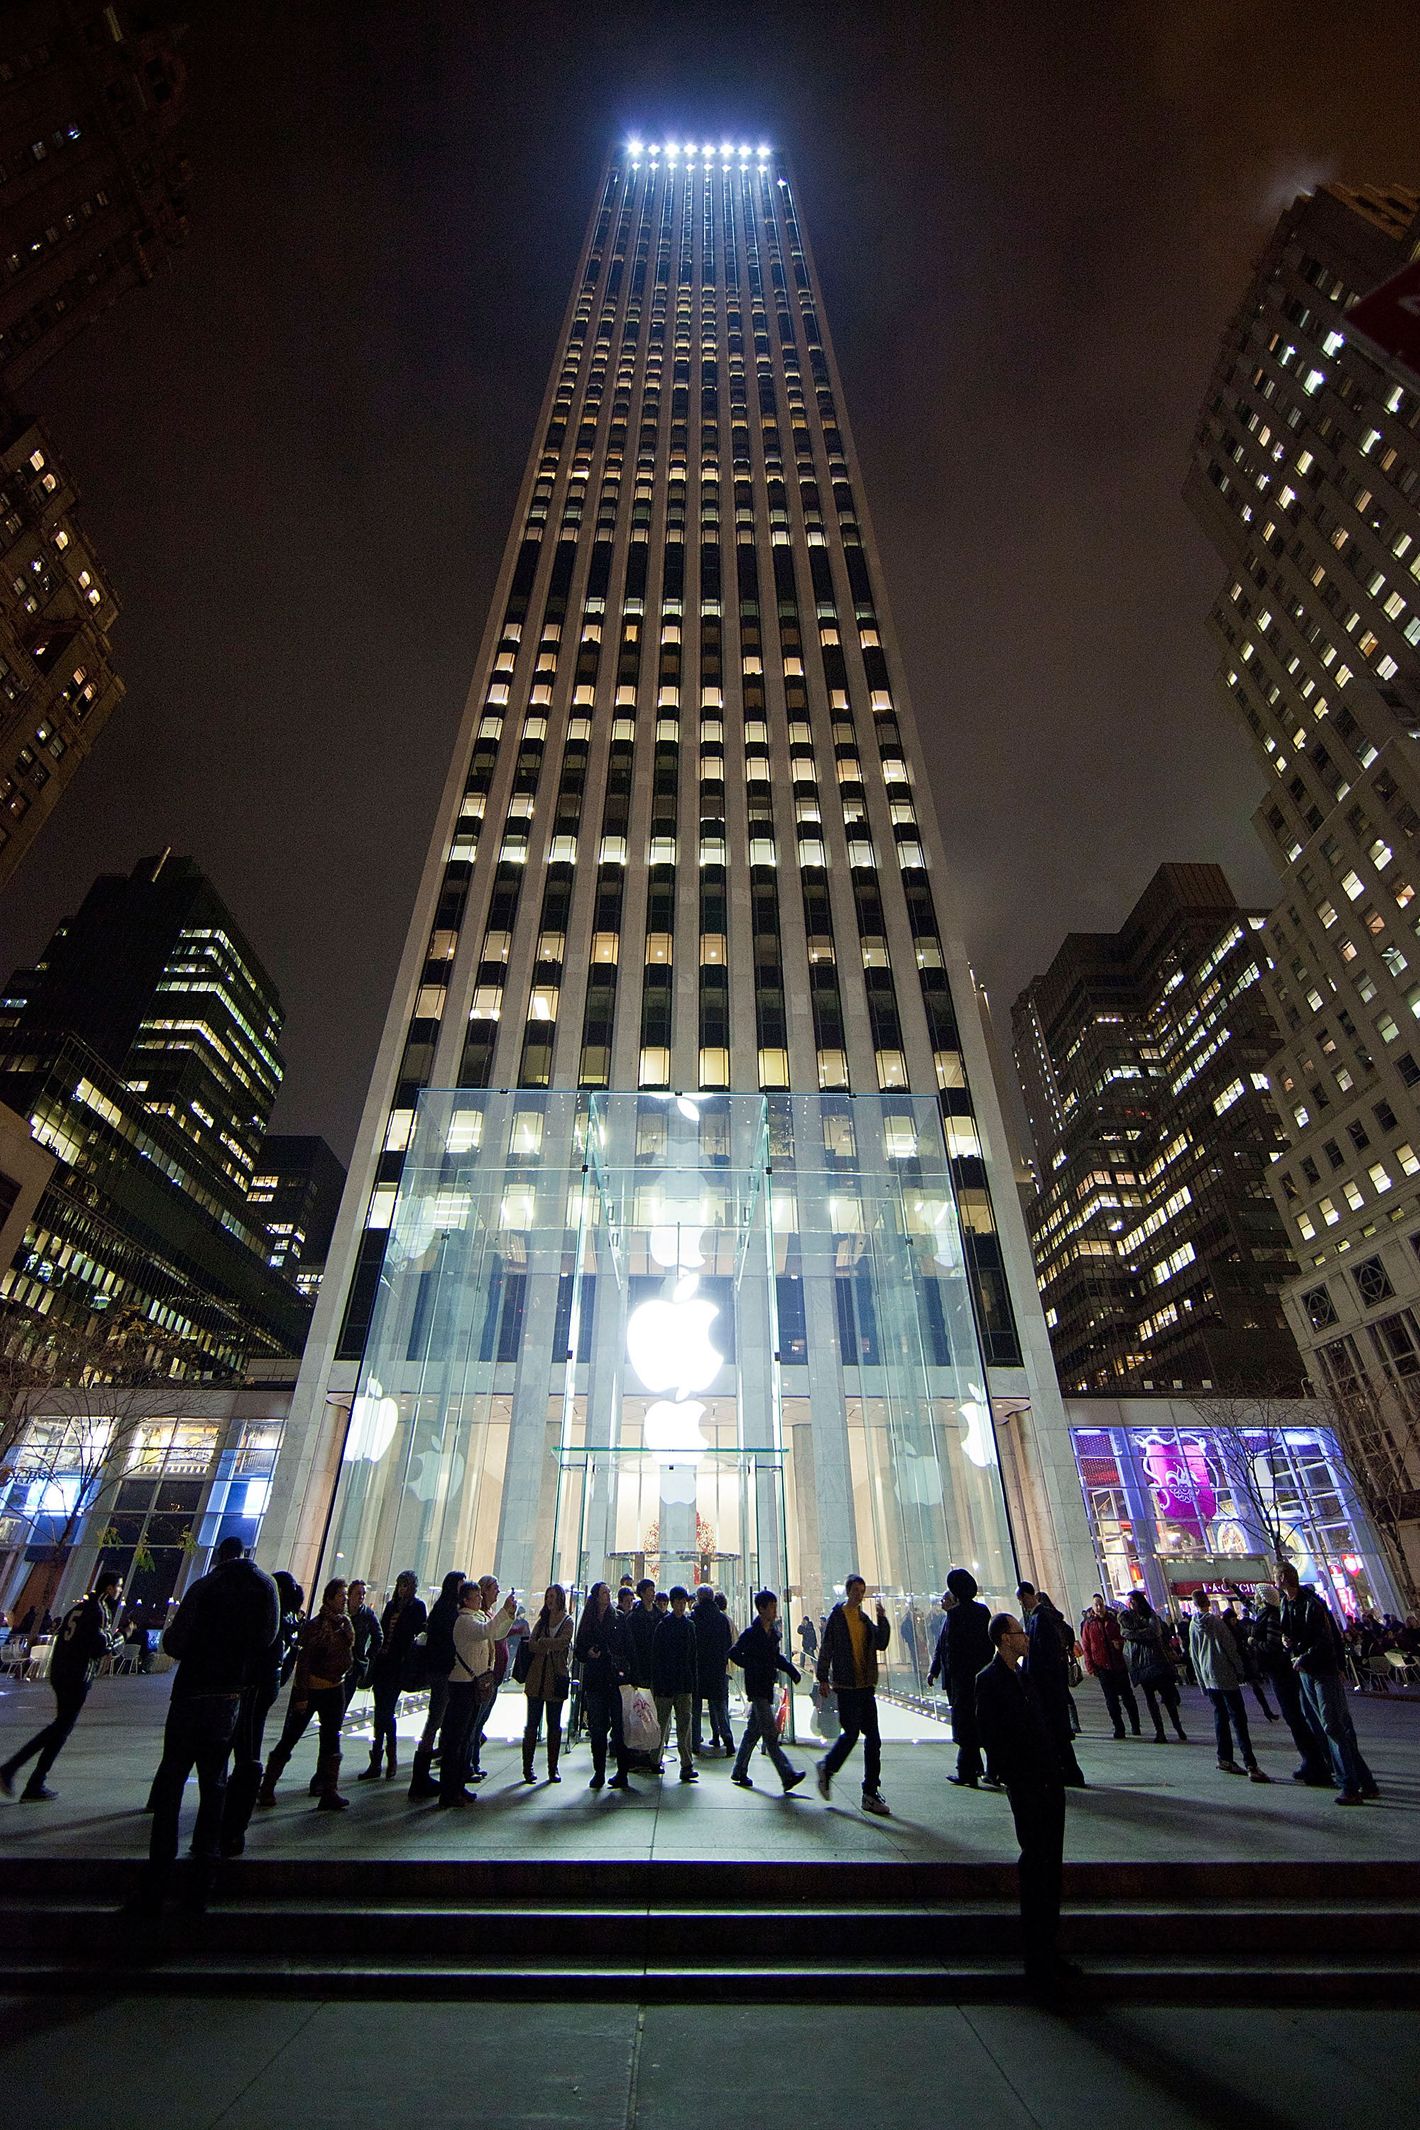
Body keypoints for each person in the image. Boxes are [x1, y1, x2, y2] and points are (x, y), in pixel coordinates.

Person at [141, 1538, 279, 1911]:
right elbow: (268, 1637)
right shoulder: (265, 1586)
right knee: (214, 1783)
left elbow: (176, 1642)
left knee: (172, 1782)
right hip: (228, 1695)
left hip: (191, 1692)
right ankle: (204, 1871)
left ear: (220, 1556)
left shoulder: (204, 1585)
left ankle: (159, 1875)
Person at [975, 1611, 1073, 1994]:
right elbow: (991, 1734)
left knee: (1052, 1868)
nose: (1026, 1637)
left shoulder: (1027, 1675)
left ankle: (1050, 1950)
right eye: (1019, 1633)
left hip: (1049, 1781)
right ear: (1003, 1638)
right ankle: (1038, 1959)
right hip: (1028, 1783)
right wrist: (1012, 1771)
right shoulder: (989, 1680)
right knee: (1036, 1864)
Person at [1, 1566, 123, 1801]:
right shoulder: (99, 1610)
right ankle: (12, 1769)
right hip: (78, 1676)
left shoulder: (78, 1608)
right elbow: (100, 1647)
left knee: (60, 1729)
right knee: (60, 1728)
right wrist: (122, 1636)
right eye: (118, 1586)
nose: (120, 1591)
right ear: (109, 1588)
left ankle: (35, 1782)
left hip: (61, 1672)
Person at [1278, 1561, 1379, 1804]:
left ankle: (1350, 1786)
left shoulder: (1312, 1603)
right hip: (1306, 1670)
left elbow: (1326, 1638)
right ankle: (1365, 1782)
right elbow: (1292, 1632)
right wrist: (1287, 1642)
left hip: (1322, 1670)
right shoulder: (1286, 1603)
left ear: (1283, 1577)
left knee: (1333, 1726)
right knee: (1332, 1727)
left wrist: (1306, 1656)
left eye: (1276, 1575)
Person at [220, 1568, 303, 1855]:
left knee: (236, 1756)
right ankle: (230, 1828)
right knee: (246, 1755)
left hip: (245, 1689)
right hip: (255, 1690)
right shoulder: (278, 1621)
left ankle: (223, 1826)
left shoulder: (268, 1619)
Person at [258, 1578, 356, 1810]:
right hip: (314, 1688)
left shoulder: (344, 1625)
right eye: (341, 1595)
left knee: (331, 1739)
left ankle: (328, 1789)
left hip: (335, 1687)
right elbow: (304, 1663)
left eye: (345, 1595)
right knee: (292, 1736)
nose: (344, 1599)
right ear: (330, 1598)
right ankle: (267, 1785)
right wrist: (301, 1695)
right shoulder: (315, 1626)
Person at [814, 1574, 892, 1816]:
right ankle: (828, 1768)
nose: (860, 1594)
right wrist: (823, 1677)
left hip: (865, 1686)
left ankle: (870, 1790)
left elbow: (881, 1642)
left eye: (862, 1590)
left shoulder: (864, 1618)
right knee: (850, 1734)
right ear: (848, 1591)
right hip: (847, 1687)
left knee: (873, 1738)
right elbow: (827, 1647)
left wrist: (883, 1619)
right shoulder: (838, 1617)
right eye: (856, 1590)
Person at [439, 1578, 514, 1806]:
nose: (481, 1599)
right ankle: (449, 1791)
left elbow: (496, 1632)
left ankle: (458, 1785)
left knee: (465, 1737)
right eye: (477, 1596)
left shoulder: (477, 1617)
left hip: (473, 1685)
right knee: (457, 1739)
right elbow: (487, 1631)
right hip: (463, 1684)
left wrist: (508, 1614)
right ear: (466, 1599)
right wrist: (503, 1611)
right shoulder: (464, 1621)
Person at [1250, 1582, 1330, 1785]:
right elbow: (1251, 1607)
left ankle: (1315, 1764)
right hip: (1278, 1670)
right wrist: (1233, 1588)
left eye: (1256, 1595)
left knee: (1296, 1716)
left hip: (1281, 1671)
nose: (1253, 1599)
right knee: (1295, 1716)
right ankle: (1312, 1761)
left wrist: (1253, 1642)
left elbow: (1271, 1644)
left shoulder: (1272, 1616)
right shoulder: (1268, 1612)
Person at [729, 1589, 805, 1794]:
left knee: (754, 1730)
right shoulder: (752, 1633)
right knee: (770, 1734)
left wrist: (791, 1670)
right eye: (771, 1606)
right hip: (757, 1688)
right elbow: (734, 1653)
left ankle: (739, 1770)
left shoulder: (772, 1634)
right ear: (761, 1608)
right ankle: (787, 1775)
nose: (774, 1610)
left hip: (765, 1686)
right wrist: (752, 1665)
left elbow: (775, 1658)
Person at [1188, 1591, 1269, 1782]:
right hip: (1225, 1675)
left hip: (1209, 1677)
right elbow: (1230, 1648)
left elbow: (1193, 1654)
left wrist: (1201, 1681)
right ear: (1207, 1602)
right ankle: (1251, 1764)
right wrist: (1239, 1670)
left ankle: (1224, 1757)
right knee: (1239, 1720)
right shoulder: (1217, 1623)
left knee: (1220, 1717)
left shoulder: (1193, 1625)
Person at [928, 1568, 994, 1788]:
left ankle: (968, 1771)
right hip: (979, 1675)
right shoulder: (982, 1612)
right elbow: (987, 1645)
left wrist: (944, 1672)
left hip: (961, 1680)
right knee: (981, 1722)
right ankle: (985, 1769)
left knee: (965, 1725)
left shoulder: (955, 1616)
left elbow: (949, 1648)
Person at [1015, 1582, 1084, 1785]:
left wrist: (1033, 1675)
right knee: (1056, 1730)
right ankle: (1068, 1771)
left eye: (1021, 1600)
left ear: (1028, 1596)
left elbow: (1042, 1652)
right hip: (1049, 1682)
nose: (1022, 1605)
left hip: (1047, 1683)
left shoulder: (1041, 1618)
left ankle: (1069, 1772)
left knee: (1055, 1729)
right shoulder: (1041, 1617)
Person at [407, 1569, 467, 1799]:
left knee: (436, 1719)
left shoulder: (442, 1609)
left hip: (439, 1670)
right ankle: (421, 1775)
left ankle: (422, 1773)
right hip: (443, 1671)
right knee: (437, 1719)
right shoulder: (448, 1611)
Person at [359, 1570, 425, 1781]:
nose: (402, 1589)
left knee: (387, 1711)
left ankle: (390, 1756)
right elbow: (382, 1632)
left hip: (398, 1665)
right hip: (383, 1663)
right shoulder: (391, 1606)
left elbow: (418, 1633)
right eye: (400, 1585)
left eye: (406, 1585)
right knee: (381, 1711)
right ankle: (377, 1759)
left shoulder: (417, 1607)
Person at [574, 1580, 631, 1791]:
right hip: (596, 1680)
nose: (607, 1595)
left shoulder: (618, 1618)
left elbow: (627, 1647)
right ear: (597, 1596)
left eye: (609, 1592)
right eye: (604, 1592)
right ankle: (599, 1771)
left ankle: (622, 1772)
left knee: (619, 1727)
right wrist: (588, 1652)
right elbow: (579, 1648)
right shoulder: (588, 1620)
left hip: (615, 1679)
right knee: (597, 1729)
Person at [521, 1584, 573, 1783]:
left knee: (554, 1725)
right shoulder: (542, 1622)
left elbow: (563, 1642)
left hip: (555, 1679)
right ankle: (528, 1768)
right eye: (547, 1596)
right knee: (531, 1725)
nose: (549, 1600)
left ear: (560, 1598)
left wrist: (544, 1643)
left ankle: (553, 1768)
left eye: (552, 1596)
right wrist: (547, 1644)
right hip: (536, 1680)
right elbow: (531, 1644)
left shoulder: (567, 1621)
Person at [1120, 1591, 1186, 1742]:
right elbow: (1125, 1632)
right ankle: (1160, 1731)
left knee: (1168, 1699)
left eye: (1133, 1601)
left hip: (1157, 1662)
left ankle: (1178, 1727)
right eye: (1129, 1601)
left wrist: (1135, 1633)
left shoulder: (1151, 1615)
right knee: (1151, 1700)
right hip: (1142, 1665)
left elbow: (1154, 1632)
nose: (1131, 1604)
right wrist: (1139, 1633)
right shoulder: (1128, 1617)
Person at [650, 1585, 699, 1782]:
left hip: (682, 1683)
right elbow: (656, 1657)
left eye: (683, 1602)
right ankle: (655, 1759)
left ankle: (686, 1764)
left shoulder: (688, 1626)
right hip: (667, 1684)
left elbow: (693, 1657)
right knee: (662, 1724)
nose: (681, 1606)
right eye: (678, 1602)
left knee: (684, 1725)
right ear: (672, 1603)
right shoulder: (664, 1626)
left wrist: (692, 1683)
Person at [1080, 1593, 1142, 1741]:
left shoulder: (1114, 1620)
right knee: (1111, 1700)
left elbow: (1125, 1636)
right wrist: (1090, 1666)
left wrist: (1119, 1644)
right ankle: (1119, 1727)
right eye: (1096, 1605)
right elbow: (1086, 1646)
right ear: (1092, 1607)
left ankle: (1135, 1725)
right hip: (1102, 1666)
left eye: (1100, 1604)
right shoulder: (1089, 1625)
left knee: (1128, 1697)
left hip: (1118, 1665)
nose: (1099, 1607)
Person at [691, 1584, 735, 1756]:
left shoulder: (694, 1617)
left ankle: (695, 1742)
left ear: (699, 1598)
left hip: (698, 1670)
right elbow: (727, 1644)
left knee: (695, 1709)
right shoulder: (721, 1619)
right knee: (720, 1707)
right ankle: (728, 1740)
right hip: (717, 1670)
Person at [1220, 1598, 1277, 1723]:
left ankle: (1267, 1711)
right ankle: (1238, 1715)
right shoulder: (1225, 1631)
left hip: (1244, 1660)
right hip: (1234, 1662)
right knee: (1236, 1692)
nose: (1234, 1621)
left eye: (1235, 1619)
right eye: (1232, 1619)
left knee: (1256, 1686)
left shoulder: (1238, 1627)